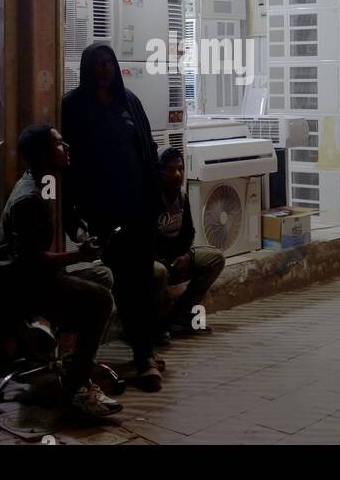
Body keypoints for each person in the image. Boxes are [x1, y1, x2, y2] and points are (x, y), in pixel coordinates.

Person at [0, 124, 121, 419]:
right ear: (42, 154)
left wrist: (83, 238)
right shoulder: (30, 199)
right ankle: (77, 388)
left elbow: (66, 220)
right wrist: (78, 254)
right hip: (23, 286)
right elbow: (31, 262)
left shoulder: (44, 182)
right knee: (101, 300)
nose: (66, 147)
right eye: (59, 144)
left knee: (103, 276)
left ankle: (73, 358)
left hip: (31, 276)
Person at [61, 43, 166, 392]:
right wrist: (74, 217)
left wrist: (155, 193)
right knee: (123, 282)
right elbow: (70, 164)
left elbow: (147, 146)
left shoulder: (129, 101)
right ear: (87, 68)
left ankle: (144, 351)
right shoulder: (74, 106)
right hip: (105, 214)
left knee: (143, 279)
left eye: (109, 62)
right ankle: (141, 355)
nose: (104, 69)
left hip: (139, 208)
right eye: (98, 63)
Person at [152, 147, 225, 344]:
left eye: (181, 169)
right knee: (157, 272)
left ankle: (181, 314)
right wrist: (164, 260)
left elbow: (188, 232)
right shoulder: (150, 199)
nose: (177, 174)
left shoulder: (182, 196)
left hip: (177, 258)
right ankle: (156, 326)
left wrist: (185, 255)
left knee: (215, 258)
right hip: (155, 261)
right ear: (160, 171)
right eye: (171, 170)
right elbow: (143, 240)